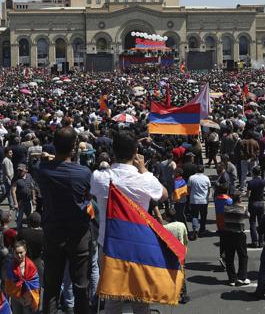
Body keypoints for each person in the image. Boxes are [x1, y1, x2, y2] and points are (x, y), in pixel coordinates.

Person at [91, 132, 167, 314]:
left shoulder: (99, 177)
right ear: (136, 153)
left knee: (112, 302)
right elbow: (163, 194)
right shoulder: (144, 179)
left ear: (113, 152)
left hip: (110, 246)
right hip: (138, 245)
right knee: (140, 301)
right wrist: (144, 170)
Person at [30, 126, 92, 314]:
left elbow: (37, 164)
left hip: (53, 233)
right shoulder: (83, 173)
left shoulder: (42, 171)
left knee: (51, 288)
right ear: (74, 147)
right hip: (79, 235)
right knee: (81, 287)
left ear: (53, 146)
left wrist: (49, 159)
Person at [3, 240, 40, 314]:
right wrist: (19, 298)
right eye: (17, 253)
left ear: (25, 251)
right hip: (15, 297)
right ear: (13, 253)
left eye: (21, 253)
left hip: (28, 298)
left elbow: (35, 284)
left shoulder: (31, 266)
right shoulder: (10, 266)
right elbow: (8, 284)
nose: (19, 255)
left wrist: (27, 298)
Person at [221, 192, 249, 286]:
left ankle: (232, 279)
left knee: (229, 257)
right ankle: (242, 277)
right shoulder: (243, 209)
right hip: (239, 235)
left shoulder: (226, 208)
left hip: (228, 234)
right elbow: (248, 216)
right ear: (239, 199)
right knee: (243, 256)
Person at [187, 164, 210, 240]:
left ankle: (195, 229)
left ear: (196, 170)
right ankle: (202, 229)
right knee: (203, 216)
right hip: (204, 200)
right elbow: (208, 190)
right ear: (203, 170)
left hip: (194, 200)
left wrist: (190, 196)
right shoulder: (206, 178)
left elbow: (189, 189)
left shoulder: (191, 178)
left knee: (194, 215)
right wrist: (207, 198)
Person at [246, 165, 265, 247]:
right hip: (261, 202)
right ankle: (261, 242)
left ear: (253, 173)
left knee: (253, 222)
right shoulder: (263, 181)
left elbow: (248, 194)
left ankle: (254, 241)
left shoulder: (250, 182)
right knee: (261, 223)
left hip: (253, 203)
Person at [13, 164, 36, 231]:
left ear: (26, 170)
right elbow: (13, 191)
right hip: (20, 202)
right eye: (18, 170)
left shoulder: (29, 176)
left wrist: (34, 198)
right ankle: (19, 230)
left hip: (28, 200)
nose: (19, 172)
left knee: (29, 216)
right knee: (19, 218)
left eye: (21, 170)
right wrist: (15, 203)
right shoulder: (16, 178)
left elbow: (32, 188)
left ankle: (29, 229)